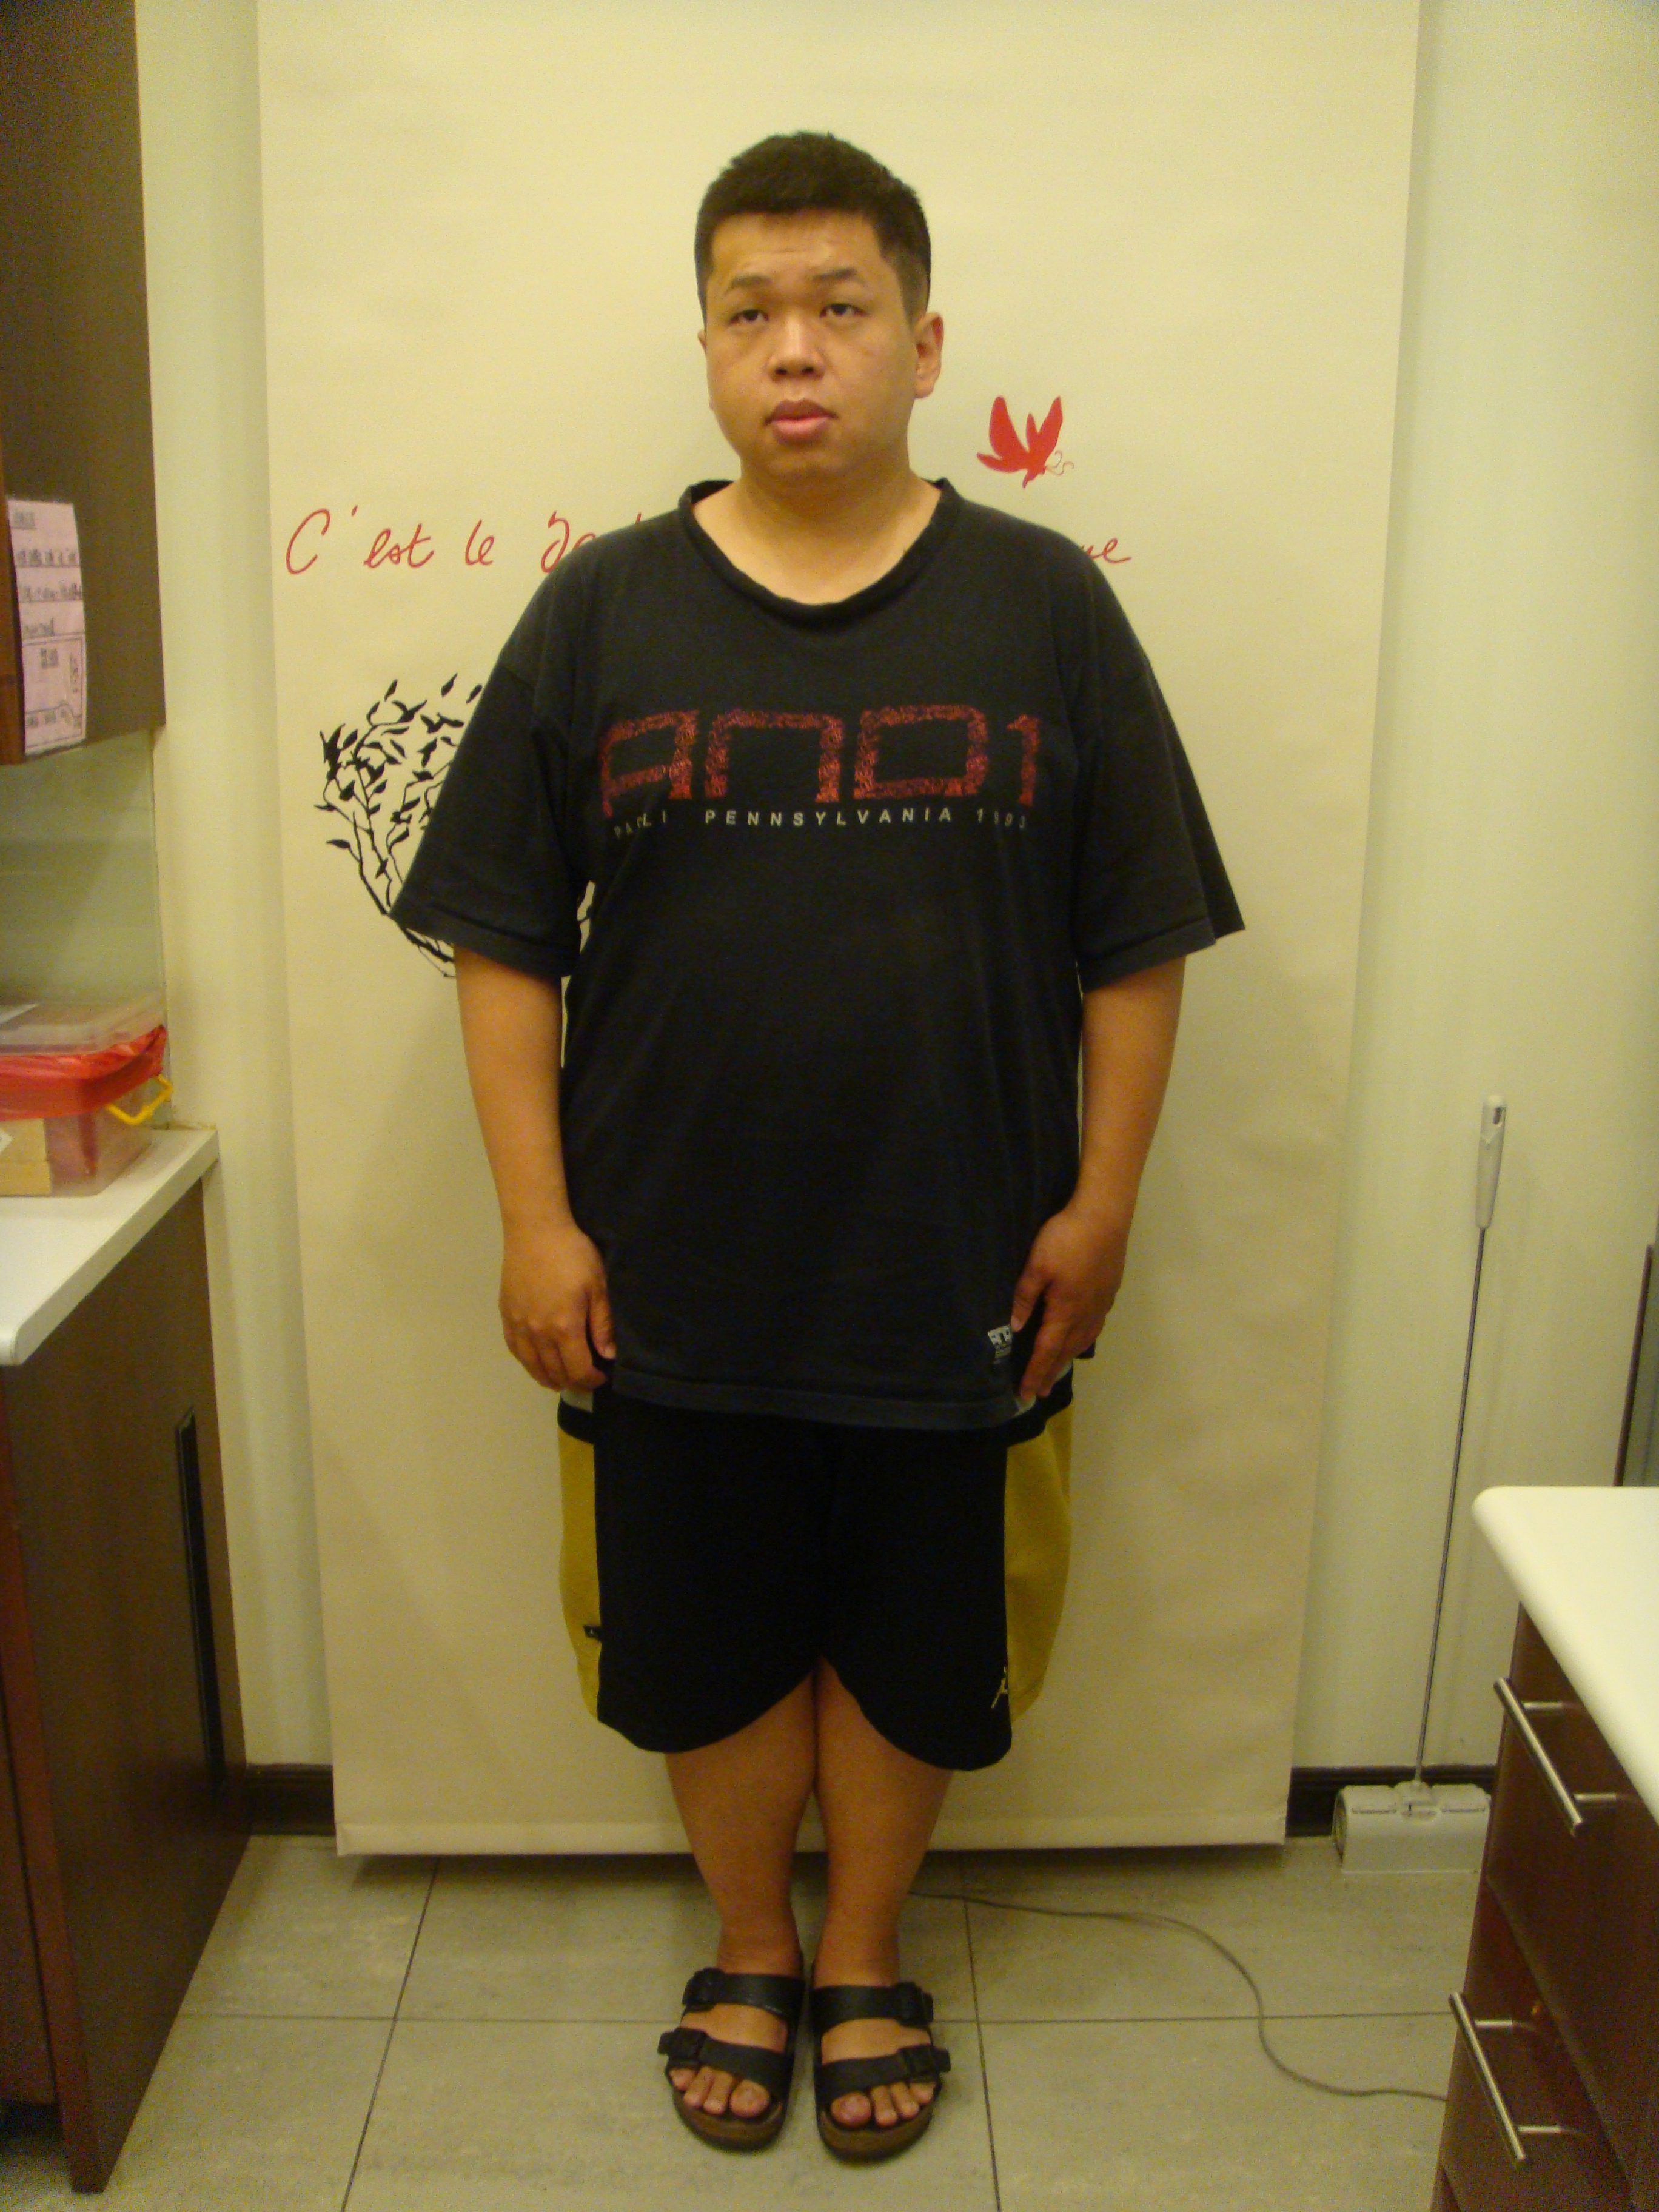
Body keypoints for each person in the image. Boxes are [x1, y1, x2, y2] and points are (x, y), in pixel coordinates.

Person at [391, 129, 1241, 2162]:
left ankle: (865, 1948)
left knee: (921, 1653)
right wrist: (535, 1223)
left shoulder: (1045, 608)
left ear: (923, 343)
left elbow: (1135, 941)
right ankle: (752, 1944)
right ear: (704, 346)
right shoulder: (600, 610)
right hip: (669, 1272)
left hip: (964, 1268)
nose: (797, 349)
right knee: (709, 1647)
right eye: (752, 312)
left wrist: (1104, 1205)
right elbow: (502, 943)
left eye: (841, 307)